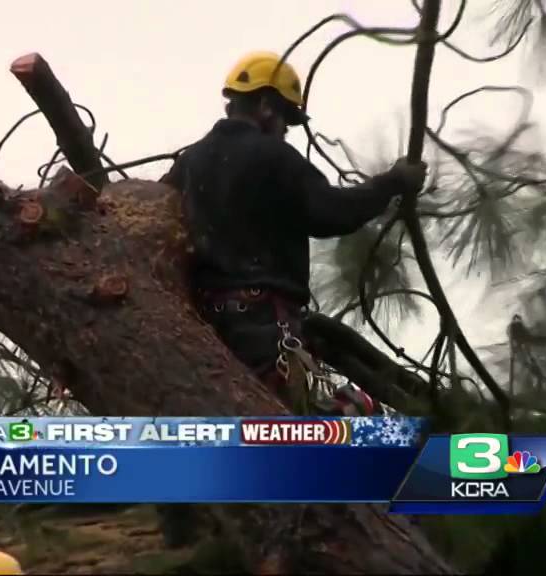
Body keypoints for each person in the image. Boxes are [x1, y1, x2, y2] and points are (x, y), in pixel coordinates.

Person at [161, 51, 427, 416]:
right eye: (286, 119)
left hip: (201, 328)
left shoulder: (189, 163)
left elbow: (156, 223)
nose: (285, 130)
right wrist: (391, 183)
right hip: (262, 326)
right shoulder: (273, 156)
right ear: (268, 106)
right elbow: (331, 213)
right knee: (313, 429)